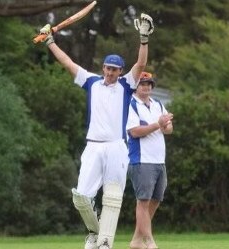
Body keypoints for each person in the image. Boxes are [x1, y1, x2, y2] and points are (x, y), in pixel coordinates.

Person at [38, 12, 154, 249]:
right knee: (81, 197)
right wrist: (50, 42)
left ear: (120, 72)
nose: (110, 73)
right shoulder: (91, 81)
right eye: (108, 68)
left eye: (115, 70)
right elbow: (68, 63)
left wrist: (143, 39)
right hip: (93, 146)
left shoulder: (125, 86)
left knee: (112, 197)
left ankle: (104, 243)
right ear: (103, 68)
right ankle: (94, 232)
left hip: (115, 147)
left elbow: (140, 64)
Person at [126, 72, 173, 249]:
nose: (146, 87)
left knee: (156, 200)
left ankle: (137, 240)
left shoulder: (158, 104)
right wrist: (158, 125)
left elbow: (169, 129)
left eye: (148, 84)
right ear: (136, 86)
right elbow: (135, 131)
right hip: (141, 160)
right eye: (142, 84)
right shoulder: (131, 105)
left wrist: (165, 125)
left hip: (159, 161)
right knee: (143, 201)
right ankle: (149, 241)